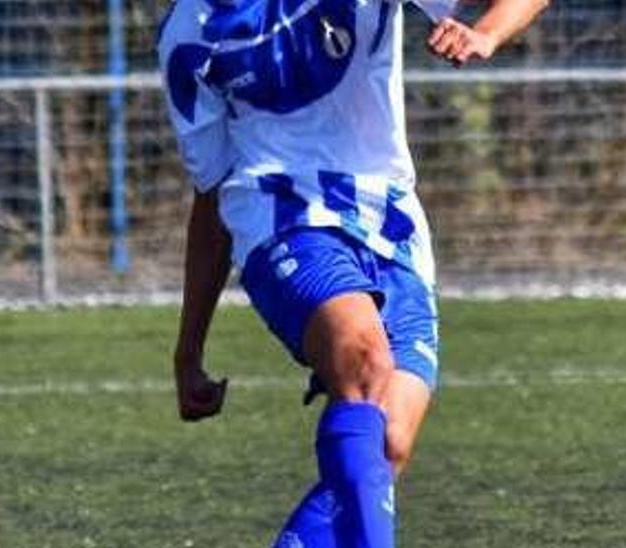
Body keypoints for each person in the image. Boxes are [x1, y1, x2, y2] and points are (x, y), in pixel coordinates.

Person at [159, 1, 548, 546]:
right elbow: (210, 193)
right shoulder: (190, 34)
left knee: (386, 440)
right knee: (366, 366)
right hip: (280, 216)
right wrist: (188, 351)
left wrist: (485, 33)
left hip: (391, 224)